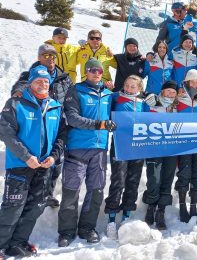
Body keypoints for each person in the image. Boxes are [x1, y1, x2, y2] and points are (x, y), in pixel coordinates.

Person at [0, 66, 65, 259]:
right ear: (30, 83)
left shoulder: (55, 106)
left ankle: (17, 243)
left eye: (46, 81)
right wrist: (26, 156)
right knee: (13, 207)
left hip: (44, 167)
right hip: (20, 165)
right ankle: (1, 244)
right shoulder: (16, 103)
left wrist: (53, 157)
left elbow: (62, 136)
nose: (43, 84)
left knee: (35, 207)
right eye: (38, 81)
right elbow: (6, 132)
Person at [58, 58, 115, 247]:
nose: (96, 73)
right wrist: (99, 125)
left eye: (99, 71)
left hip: (99, 150)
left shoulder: (108, 94)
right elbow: (72, 118)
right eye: (92, 70)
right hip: (78, 148)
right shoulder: (76, 91)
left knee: (96, 191)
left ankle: (87, 228)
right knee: (71, 191)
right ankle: (66, 231)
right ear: (86, 72)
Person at [11, 44, 73, 208]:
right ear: (39, 57)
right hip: (36, 122)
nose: (50, 58)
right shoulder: (30, 74)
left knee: (55, 160)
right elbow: (21, 86)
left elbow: (72, 97)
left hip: (57, 121)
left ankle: (47, 194)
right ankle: (29, 194)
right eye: (45, 55)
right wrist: (18, 91)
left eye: (52, 55)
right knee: (35, 158)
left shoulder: (64, 77)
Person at [104, 75, 147, 239]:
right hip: (120, 145)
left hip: (137, 147)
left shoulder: (144, 103)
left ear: (139, 89)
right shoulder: (116, 97)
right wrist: (107, 87)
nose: (129, 89)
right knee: (118, 181)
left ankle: (127, 216)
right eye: (127, 85)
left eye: (133, 87)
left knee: (133, 181)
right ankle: (111, 219)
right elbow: (103, 97)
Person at [143, 80, 179, 229]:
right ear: (162, 91)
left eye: (173, 91)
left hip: (171, 148)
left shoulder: (177, 106)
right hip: (154, 146)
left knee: (167, 178)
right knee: (154, 178)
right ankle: (151, 205)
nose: (170, 93)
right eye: (168, 91)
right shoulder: (152, 103)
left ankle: (161, 210)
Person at [175, 69, 197, 223]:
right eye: (191, 81)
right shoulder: (179, 98)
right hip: (184, 142)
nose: (194, 84)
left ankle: (193, 207)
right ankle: (182, 207)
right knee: (184, 174)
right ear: (186, 82)